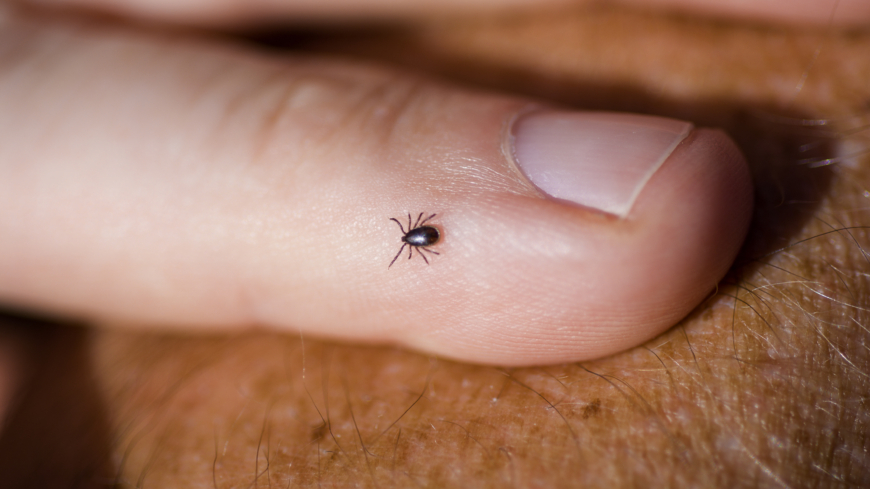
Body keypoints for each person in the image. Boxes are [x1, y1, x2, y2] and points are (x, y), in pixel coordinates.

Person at [0, 0, 868, 486]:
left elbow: (421, 234)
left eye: (415, 236)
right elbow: (422, 233)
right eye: (415, 236)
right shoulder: (422, 229)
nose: (414, 237)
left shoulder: (420, 230)